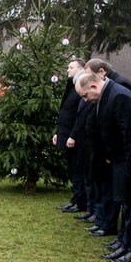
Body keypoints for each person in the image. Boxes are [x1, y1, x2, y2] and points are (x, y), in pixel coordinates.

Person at [75, 70, 131, 262]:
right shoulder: (108, 95)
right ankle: (125, 243)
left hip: (130, 163)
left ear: (93, 85)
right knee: (127, 206)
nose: (86, 100)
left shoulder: (120, 96)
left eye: (85, 95)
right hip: (119, 161)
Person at [53, 58, 86, 212]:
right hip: (65, 133)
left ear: (81, 69)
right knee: (72, 169)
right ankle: (75, 198)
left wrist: (73, 135)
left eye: (71, 67)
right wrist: (57, 133)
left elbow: (79, 115)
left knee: (77, 169)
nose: (68, 70)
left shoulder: (81, 87)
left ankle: (80, 201)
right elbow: (64, 112)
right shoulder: (71, 85)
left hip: (75, 137)